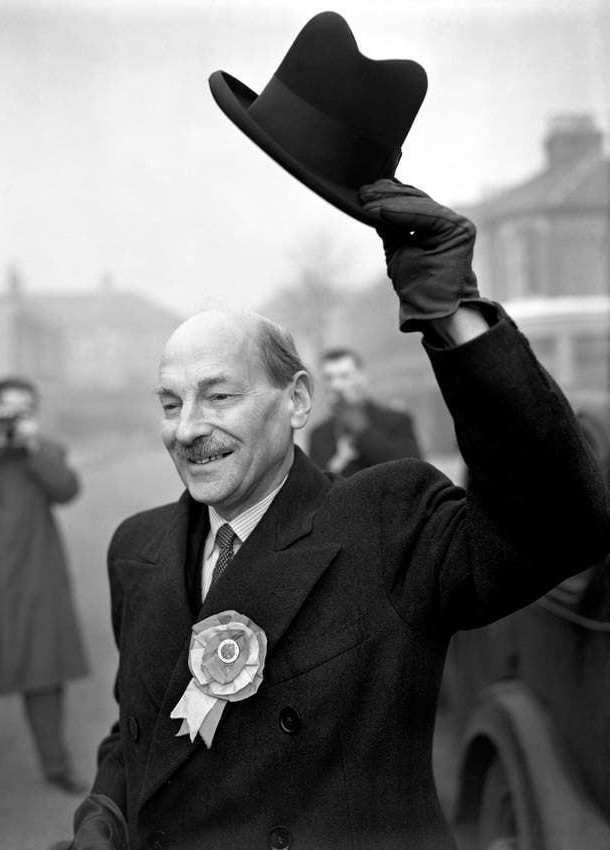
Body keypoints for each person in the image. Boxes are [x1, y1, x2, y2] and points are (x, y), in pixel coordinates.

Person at [53, 180, 610, 850]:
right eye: (171, 405)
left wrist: (454, 312)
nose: (189, 429)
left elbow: (557, 522)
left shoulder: (386, 524)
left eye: (219, 395)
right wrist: (104, 816)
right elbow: (137, 730)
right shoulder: (136, 548)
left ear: (295, 401)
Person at [0, 376, 88, 806]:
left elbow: (68, 489)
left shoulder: (46, 449)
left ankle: (56, 766)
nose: (15, 419)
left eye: (24, 411)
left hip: (36, 580)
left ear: (34, 414)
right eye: (7, 410)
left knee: (44, 676)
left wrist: (33, 446)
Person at [308, 347, 421, 476]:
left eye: (344, 376)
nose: (336, 385)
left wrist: (362, 431)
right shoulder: (318, 435)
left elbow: (415, 472)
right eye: (329, 378)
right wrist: (339, 461)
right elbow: (314, 489)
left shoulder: (397, 421)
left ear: (361, 378)